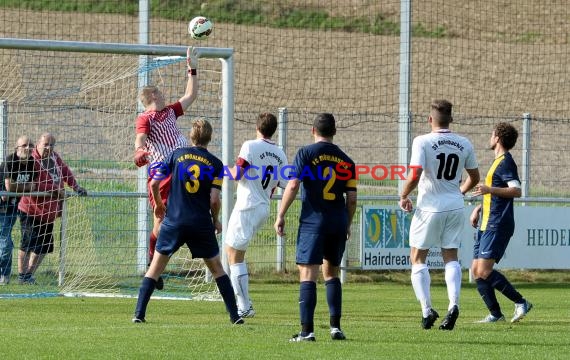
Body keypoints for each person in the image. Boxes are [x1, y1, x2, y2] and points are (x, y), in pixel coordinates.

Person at [133, 119, 243, 325]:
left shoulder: (175, 155)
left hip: (173, 221)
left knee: (155, 268)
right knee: (218, 269)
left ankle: (139, 314)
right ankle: (235, 317)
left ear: (191, 136)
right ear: (210, 138)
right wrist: (215, 220)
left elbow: (155, 183)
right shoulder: (216, 164)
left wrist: (158, 205)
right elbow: (214, 200)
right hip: (200, 223)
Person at [274, 113, 357, 342]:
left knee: (308, 273)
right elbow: (351, 199)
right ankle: (335, 328)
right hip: (337, 221)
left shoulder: (306, 153)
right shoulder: (347, 161)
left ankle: (307, 331)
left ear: (313, 131)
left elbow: (293, 185)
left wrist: (280, 214)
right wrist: (347, 224)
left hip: (313, 222)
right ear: (335, 132)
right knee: (331, 273)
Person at [399, 100, 480, 330]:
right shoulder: (464, 143)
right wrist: (459, 192)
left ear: (430, 119)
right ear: (451, 119)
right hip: (454, 206)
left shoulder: (422, 141)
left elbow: (414, 175)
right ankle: (453, 305)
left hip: (430, 207)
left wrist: (403, 195)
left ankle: (426, 311)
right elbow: (474, 177)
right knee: (451, 257)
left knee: (417, 258)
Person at [134, 47, 199, 282]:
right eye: (160, 94)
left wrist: (192, 68)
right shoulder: (145, 118)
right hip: (162, 172)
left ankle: (160, 261)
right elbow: (140, 138)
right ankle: (153, 262)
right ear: (153, 97)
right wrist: (139, 150)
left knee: (183, 217)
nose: (164, 96)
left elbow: (190, 96)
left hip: (182, 170)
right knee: (161, 220)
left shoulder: (171, 111)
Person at [224, 112, 289, 318]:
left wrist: (224, 169)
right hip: (262, 206)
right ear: (274, 130)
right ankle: (243, 302)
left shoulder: (250, 146)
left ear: (257, 127)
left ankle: (244, 306)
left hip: (247, 205)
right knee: (232, 251)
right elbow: (284, 184)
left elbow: (237, 175)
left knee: (234, 254)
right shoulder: (280, 154)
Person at [470, 122, 532, 323]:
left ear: (497, 138)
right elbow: (493, 193)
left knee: (484, 270)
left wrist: (489, 190)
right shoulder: (497, 162)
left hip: (498, 223)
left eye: (491, 134)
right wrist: (479, 208)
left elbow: (516, 190)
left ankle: (521, 302)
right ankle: (495, 314)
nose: (490, 137)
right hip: (486, 221)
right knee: (476, 271)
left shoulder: (506, 162)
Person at [18, 133, 87, 284]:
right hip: (31, 209)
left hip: (49, 211)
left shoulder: (54, 157)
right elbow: (32, 184)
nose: (49, 148)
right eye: (46, 144)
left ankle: (29, 275)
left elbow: (65, 172)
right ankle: (22, 275)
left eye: (52, 145)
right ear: (38, 143)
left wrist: (75, 187)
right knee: (27, 243)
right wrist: (53, 188)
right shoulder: (31, 159)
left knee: (44, 246)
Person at [0, 136, 36, 285]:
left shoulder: (33, 163)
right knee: (6, 243)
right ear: (17, 148)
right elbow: (9, 188)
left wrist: (21, 188)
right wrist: (26, 188)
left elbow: (33, 186)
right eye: (24, 145)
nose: (28, 148)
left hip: (18, 206)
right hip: (3, 208)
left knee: (25, 241)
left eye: (30, 145)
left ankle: (19, 276)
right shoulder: (10, 160)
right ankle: (4, 275)